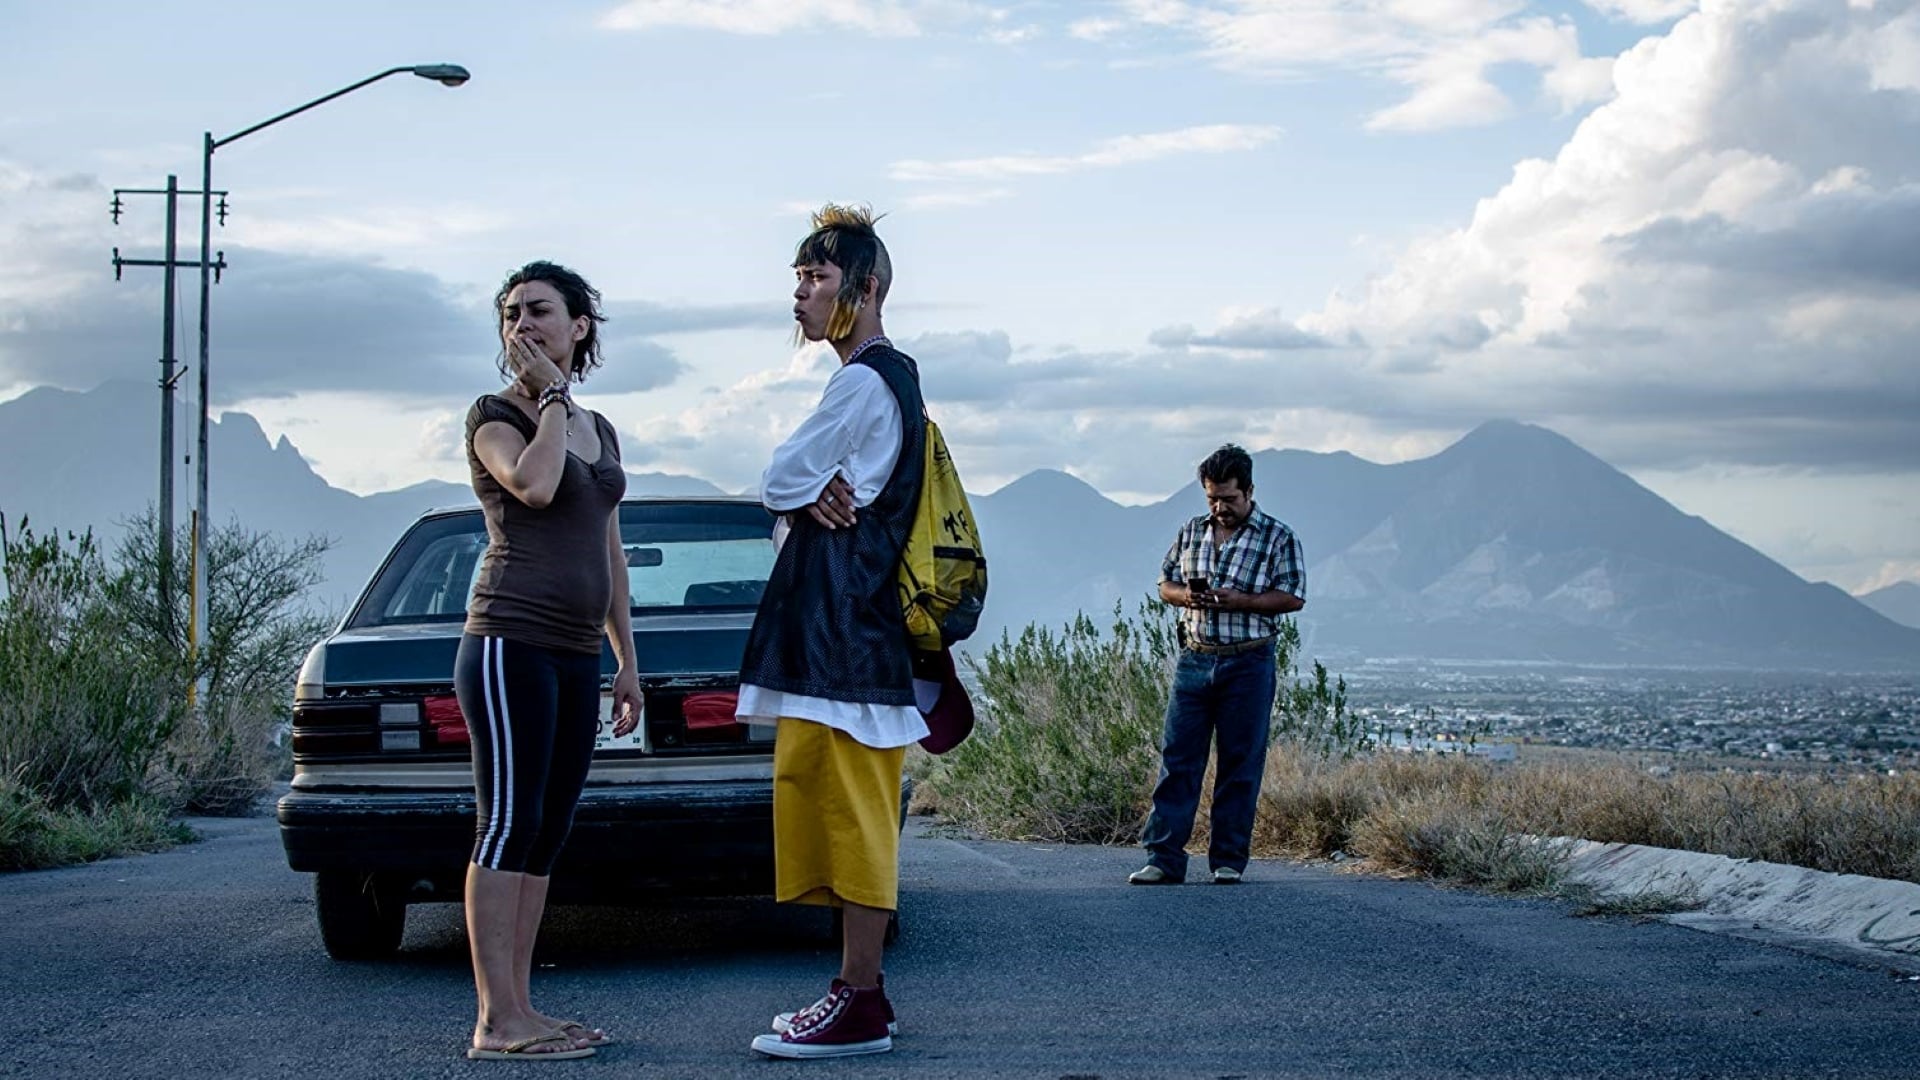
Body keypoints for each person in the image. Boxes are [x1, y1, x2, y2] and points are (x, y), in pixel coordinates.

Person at [736, 205, 927, 1060]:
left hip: (843, 637)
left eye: (816, 278)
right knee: (841, 810)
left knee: (853, 819)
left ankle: (862, 1002)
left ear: (867, 287)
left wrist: (801, 489)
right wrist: (806, 491)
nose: (801, 296)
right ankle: (856, 992)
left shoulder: (860, 381)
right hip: (848, 635)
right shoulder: (892, 377)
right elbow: (796, 488)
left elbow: (779, 475)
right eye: (799, 280)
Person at [454, 261, 643, 1061]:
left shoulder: (599, 427)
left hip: (573, 652)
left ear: (579, 326)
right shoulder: (495, 415)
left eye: (538, 310)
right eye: (510, 314)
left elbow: (609, 549)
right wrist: (553, 400)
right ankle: (495, 1021)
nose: (521, 325)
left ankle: (525, 1007)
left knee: (546, 830)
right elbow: (533, 486)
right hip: (509, 641)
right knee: (507, 823)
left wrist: (626, 660)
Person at [1131, 444, 1306, 886]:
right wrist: (1187, 597)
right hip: (1194, 658)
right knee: (1178, 760)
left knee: (1239, 763)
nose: (1219, 507)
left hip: (1249, 662)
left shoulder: (1278, 537)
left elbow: (1293, 596)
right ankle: (1163, 859)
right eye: (1212, 498)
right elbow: (1164, 584)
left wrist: (1241, 601)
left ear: (1249, 491)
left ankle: (1228, 861)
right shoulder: (1191, 531)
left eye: (1228, 498)